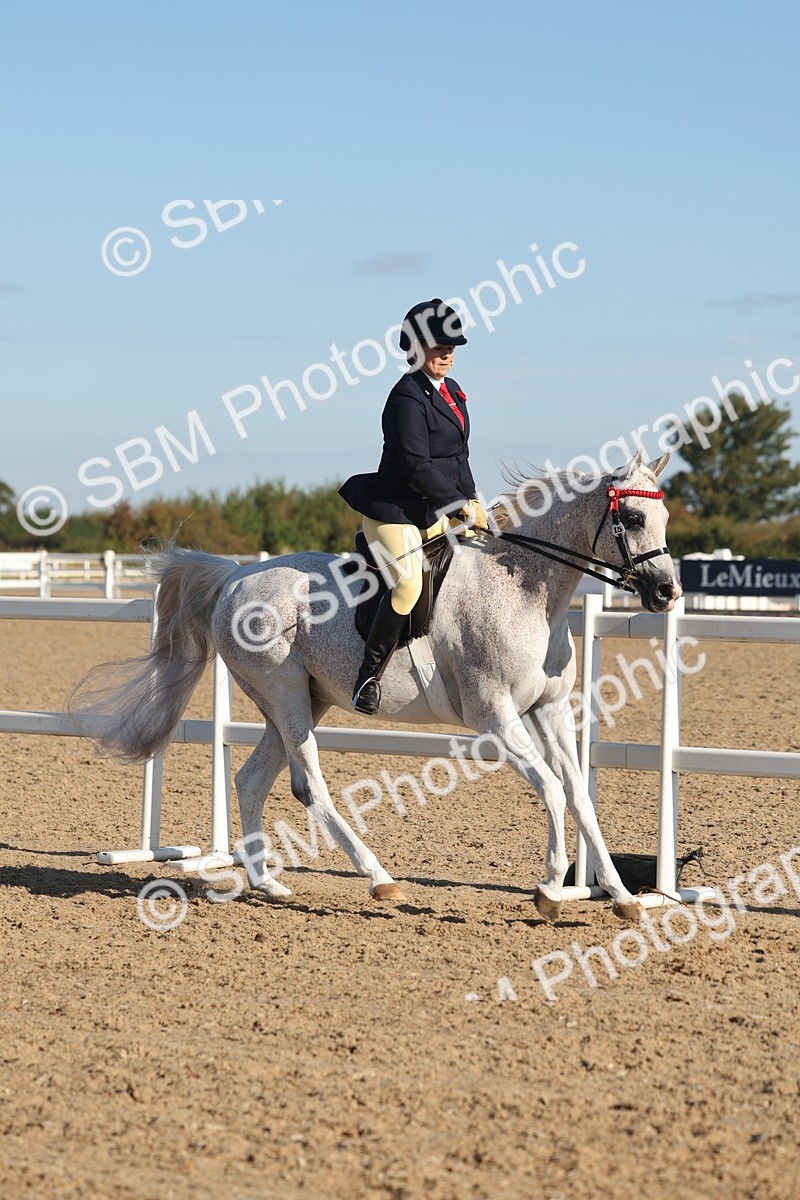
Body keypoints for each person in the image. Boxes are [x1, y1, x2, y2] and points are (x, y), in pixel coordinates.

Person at [339, 298, 489, 715]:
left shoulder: (454, 392)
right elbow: (418, 464)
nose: (448, 352)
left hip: (434, 513)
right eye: (438, 345)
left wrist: (474, 503)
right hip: (394, 512)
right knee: (407, 586)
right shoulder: (406, 396)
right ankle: (367, 677)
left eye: (452, 346)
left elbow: (459, 458)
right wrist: (457, 506)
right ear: (416, 346)